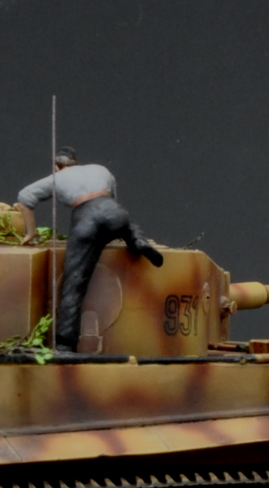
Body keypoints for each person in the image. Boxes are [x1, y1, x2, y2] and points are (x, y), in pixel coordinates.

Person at [16, 146, 165, 352]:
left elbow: (25, 197)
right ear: (76, 162)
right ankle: (137, 241)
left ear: (57, 166)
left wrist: (31, 233)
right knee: (123, 222)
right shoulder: (101, 169)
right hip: (114, 212)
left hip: (86, 218)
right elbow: (112, 200)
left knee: (74, 284)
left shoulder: (58, 177)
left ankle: (65, 344)